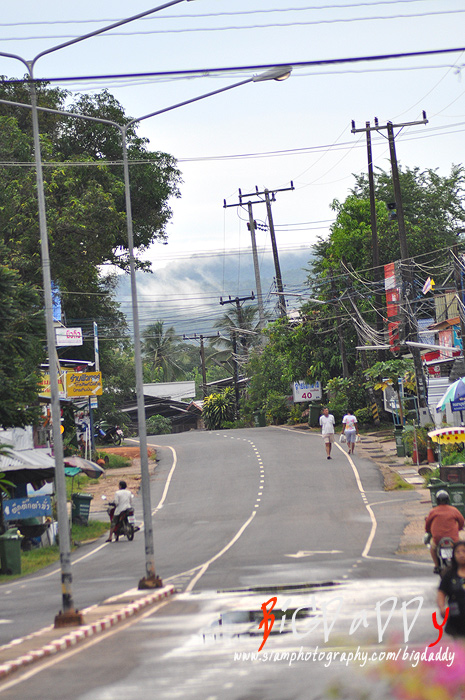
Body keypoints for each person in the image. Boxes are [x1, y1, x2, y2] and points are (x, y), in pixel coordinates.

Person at [425, 490, 464, 573]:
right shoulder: (454, 510)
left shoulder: (433, 511)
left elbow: (427, 524)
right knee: (462, 545)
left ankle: (436, 566)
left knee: (432, 548)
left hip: (438, 539)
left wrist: (428, 531)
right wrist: (459, 528)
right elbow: (461, 521)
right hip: (454, 538)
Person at [437, 540, 465, 637]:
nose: (461, 554)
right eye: (458, 552)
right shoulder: (449, 575)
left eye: (464, 551)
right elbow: (441, 592)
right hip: (456, 622)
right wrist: (442, 607)